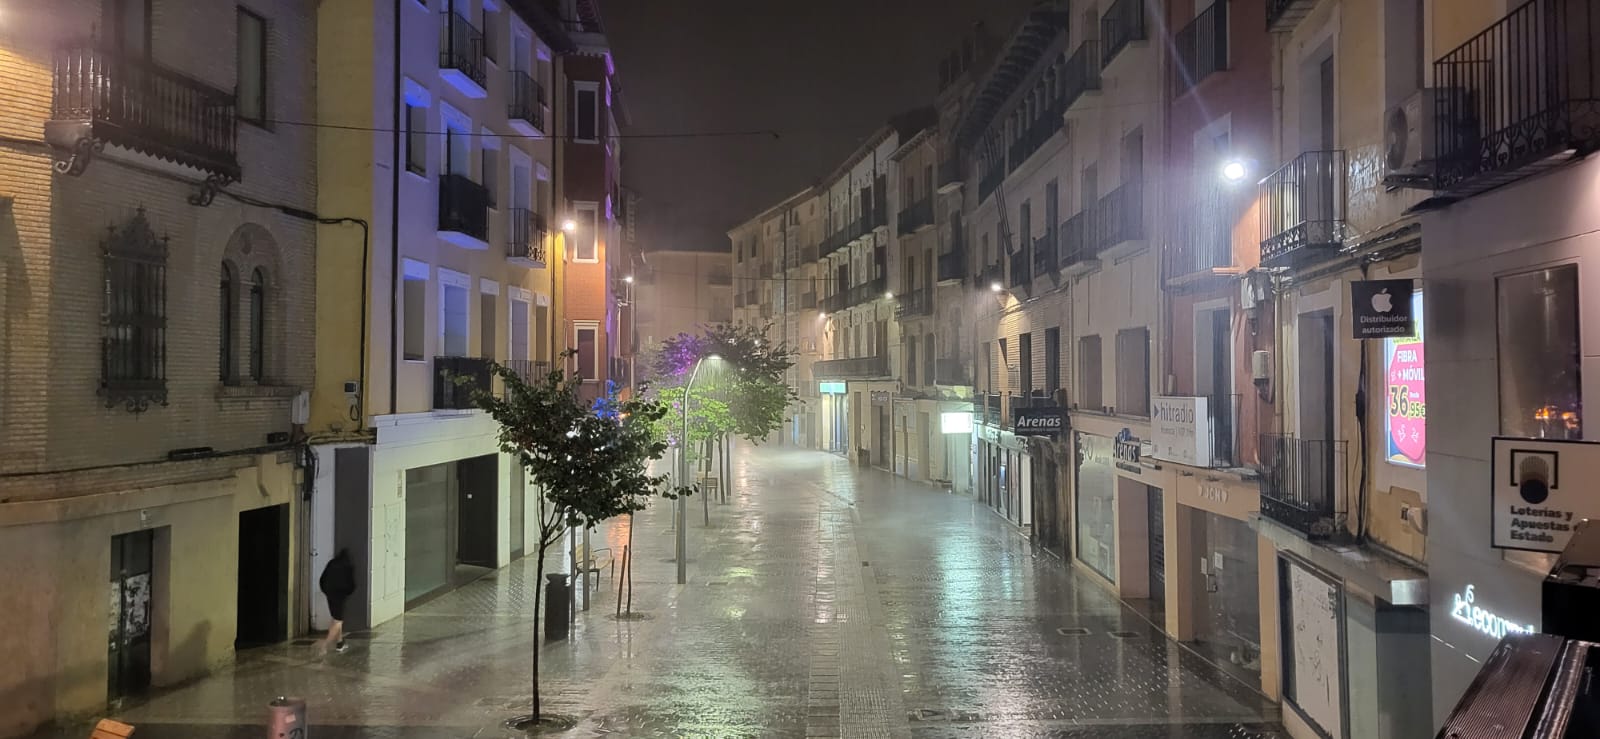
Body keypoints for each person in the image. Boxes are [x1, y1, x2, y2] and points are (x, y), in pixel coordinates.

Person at [318, 549, 356, 654]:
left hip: (330, 594)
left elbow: (323, 578)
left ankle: (340, 643)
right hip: (340, 595)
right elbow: (351, 584)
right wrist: (347, 592)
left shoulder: (332, 563)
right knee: (338, 621)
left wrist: (325, 590)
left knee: (336, 618)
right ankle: (325, 645)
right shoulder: (348, 566)